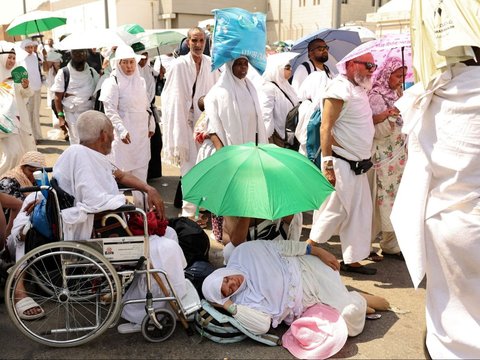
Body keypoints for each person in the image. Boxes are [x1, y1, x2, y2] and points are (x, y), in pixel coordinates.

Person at [9, 110, 186, 326]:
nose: (113, 137)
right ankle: (148, 307)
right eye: (111, 132)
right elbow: (95, 201)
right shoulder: (81, 156)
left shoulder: (84, 154)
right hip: (90, 229)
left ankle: (165, 296)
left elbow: (119, 175)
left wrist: (149, 189)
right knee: (166, 246)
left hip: (97, 222)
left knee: (170, 232)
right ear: (103, 134)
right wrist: (126, 206)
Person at [391, 6, 480, 355]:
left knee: (447, 317)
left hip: (443, 224)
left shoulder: (434, 96)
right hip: (467, 221)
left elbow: (419, 159)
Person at [202, 240, 390, 337]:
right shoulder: (244, 301)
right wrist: (227, 305)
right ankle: (357, 298)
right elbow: (261, 326)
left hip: (307, 267)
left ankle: (353, 298)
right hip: (307, 302)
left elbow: (283, 247)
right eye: (227, 290)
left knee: (377, 305)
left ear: (222, 273)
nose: (232, 283)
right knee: (349, 320)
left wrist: (317, 251)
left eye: (225, 279)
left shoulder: (244, 252)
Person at [309, 52, 377, 275]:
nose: (371, 70)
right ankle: (310, 249)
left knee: (359, 212)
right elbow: (326, 128)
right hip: (340, 162)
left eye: (373, 66)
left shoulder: (357, 88)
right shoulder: (338, 89)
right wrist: (327, 164)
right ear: (351, 64)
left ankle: (352, 258)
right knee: (333, 210)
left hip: (358, 163)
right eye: (367, 65)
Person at [161, 27, 220, 217]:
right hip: (185, 124)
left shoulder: (211, 64)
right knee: (188, 171)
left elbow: (216, 92)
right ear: (188, 42)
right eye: (194, 40)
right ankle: (188, 214)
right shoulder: (178, 65)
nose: (198, 45)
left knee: (205, 168)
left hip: (204, 124)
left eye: (202, 41)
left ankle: (202, 210)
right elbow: (171, 97)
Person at [99, 45, 155, 207]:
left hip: (141, 137)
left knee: (141, 175)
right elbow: (109, 109)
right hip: (122, 139)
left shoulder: (141, 81)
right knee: (119, 175)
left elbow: (146, 106)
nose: (129, 66)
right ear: (118, 63)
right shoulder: (112, 82)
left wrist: (151, 125)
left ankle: (143, 211)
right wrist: (122, 130)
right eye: (125, 62)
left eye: (131, 62)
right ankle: (118, 210)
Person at [367, 57, 407, 261]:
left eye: (403, 76)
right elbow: (376, 131)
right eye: (397, 76)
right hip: (383, 157)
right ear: (386, 74)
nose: (400, 80)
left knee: (397, 200)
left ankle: (391, 245)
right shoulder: (375, 96)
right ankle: (367, 245)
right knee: (379, 200)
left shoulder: (398, 94)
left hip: (398, 157)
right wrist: (391, 115)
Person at [0, 43, 36, 173]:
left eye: (14, 58)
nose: (12, 61)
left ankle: (13, 182)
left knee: (21, 153)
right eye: (9, 57)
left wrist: (26, 86)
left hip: (18, 120)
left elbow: (27, 94)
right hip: (3, 122)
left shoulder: (17, 74)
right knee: (11, 154)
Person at [51, 49, 99, 144]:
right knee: (77, 141)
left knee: (90, 142)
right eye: (76, 52)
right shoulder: (63, 73)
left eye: (82, 52)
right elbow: (57, 97)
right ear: (71, 54)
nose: (79, 55)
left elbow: (98, 92)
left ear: (86, 55)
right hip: (72, 113)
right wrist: (61, 117)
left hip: (89, 112)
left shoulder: (92, 72)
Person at [134, 43, 163, 181]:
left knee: (156, 143)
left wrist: (160, 75)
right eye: (140, 56)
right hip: (137, 112)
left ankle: (150, 174)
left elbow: (154, 85)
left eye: (145, 56)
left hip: (150, 110)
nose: (143, 59)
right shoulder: (132, 71)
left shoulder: (149, 70)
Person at [260, 53, 299, 147]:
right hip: (277, 137)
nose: (291, 70)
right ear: (277, 69)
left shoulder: (287, 85)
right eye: (287, 67)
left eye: (290, 67)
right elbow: (266, 114)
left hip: (290, 133)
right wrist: (266, 139)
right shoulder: (268, 88)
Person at [20, 39, 43, 141]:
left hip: (37, 89)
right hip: (26, 90)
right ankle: (30, 138)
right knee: (28, 114)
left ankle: (37, 135)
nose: (30, 49)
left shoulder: (36, 56)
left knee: (35, 113)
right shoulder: (20, 59)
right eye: (27, 47)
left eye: (31, 47)